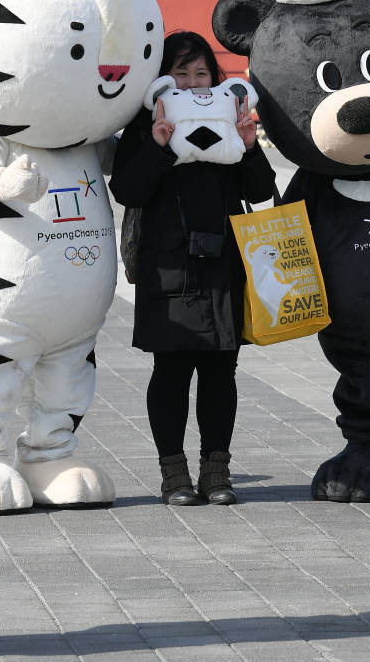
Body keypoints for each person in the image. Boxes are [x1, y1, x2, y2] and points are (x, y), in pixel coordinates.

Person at [110, 31, 275, 506]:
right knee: (171, 371)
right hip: (168, 267)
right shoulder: (146, 125)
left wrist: (249, 144)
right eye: (180, 73)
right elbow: (127, 190)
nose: (191, 82)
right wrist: (159, 145)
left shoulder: (230, 117)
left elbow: (261, 189)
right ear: (163, 78)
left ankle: (216, 472)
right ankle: (174, 474)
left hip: (224, 262)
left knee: (222, 371)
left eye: (201, 73)